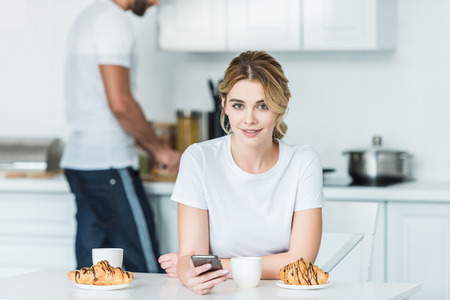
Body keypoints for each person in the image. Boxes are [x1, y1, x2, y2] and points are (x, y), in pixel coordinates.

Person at [159, 51, 325, 294]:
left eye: (263, 106)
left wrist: (213, 265)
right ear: (224, 104)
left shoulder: (303, 161)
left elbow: (300, 263)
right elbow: (192, 256)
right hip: (219, 292)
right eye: (238, 105)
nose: (249, 119)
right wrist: (189, 269)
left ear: (283, 105)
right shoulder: (199, 159)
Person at [61, 0, 181, 273]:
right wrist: (161, 152)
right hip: (109, 167)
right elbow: (120, 104)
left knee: (92, 274)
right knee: (146, 271)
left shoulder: (89, 16)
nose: (157, 3)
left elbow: (108, 107)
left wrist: (154, 149)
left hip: (82, 163)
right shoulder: (112, 22)